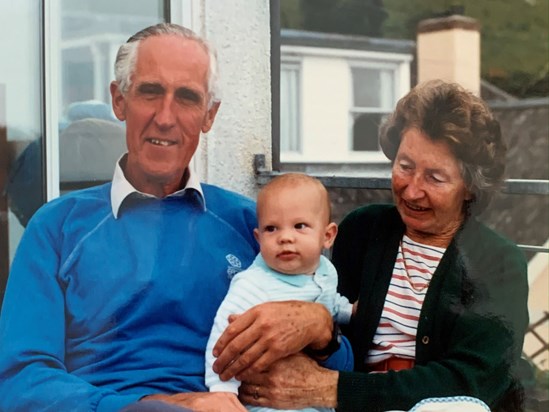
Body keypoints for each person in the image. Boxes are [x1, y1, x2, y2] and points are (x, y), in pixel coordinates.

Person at [213, 80, 529, 412]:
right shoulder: (363, 229)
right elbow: (339, 343)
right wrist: (322, 335)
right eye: (405, 167)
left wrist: (336, 389)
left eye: (435, 178)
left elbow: (474, 380)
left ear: (470, 187)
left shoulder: (499, 262)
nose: (411, 191)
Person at [0, 23, 263, 412]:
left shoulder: (252, 225)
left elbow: (334, 362)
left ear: (209, 115)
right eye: (150, 92)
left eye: (187, 98)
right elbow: (20, 380)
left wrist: (318, 328)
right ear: (119, 101)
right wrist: (160, 406)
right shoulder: (58, 228)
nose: (165, 117)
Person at [205, 173, 355, 411]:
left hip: (315, 397)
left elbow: (330, 302)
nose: (285, 237)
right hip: (268, 401)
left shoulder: (326, 271)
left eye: (300, 226)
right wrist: (223, 393)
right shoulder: (253, 284)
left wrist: (348, 310)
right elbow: (223, 339)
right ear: (258, 237)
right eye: (271, 229)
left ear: (327, 236)